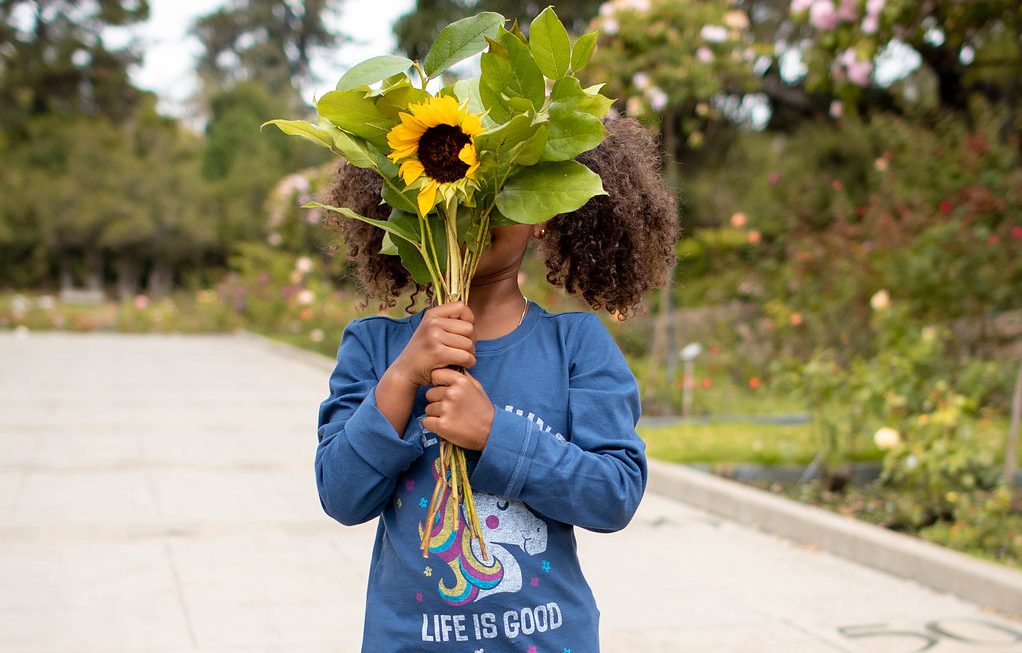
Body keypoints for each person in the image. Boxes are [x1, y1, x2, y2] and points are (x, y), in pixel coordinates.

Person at [315, 116, 679, 652]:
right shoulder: (375, 349)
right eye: (454, 188)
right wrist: (403, 376)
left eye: (501, 193)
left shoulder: (576, 344)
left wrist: (494, 435)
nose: (471, 211)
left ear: (544, 215)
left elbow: (613, 495)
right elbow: (342, 496)